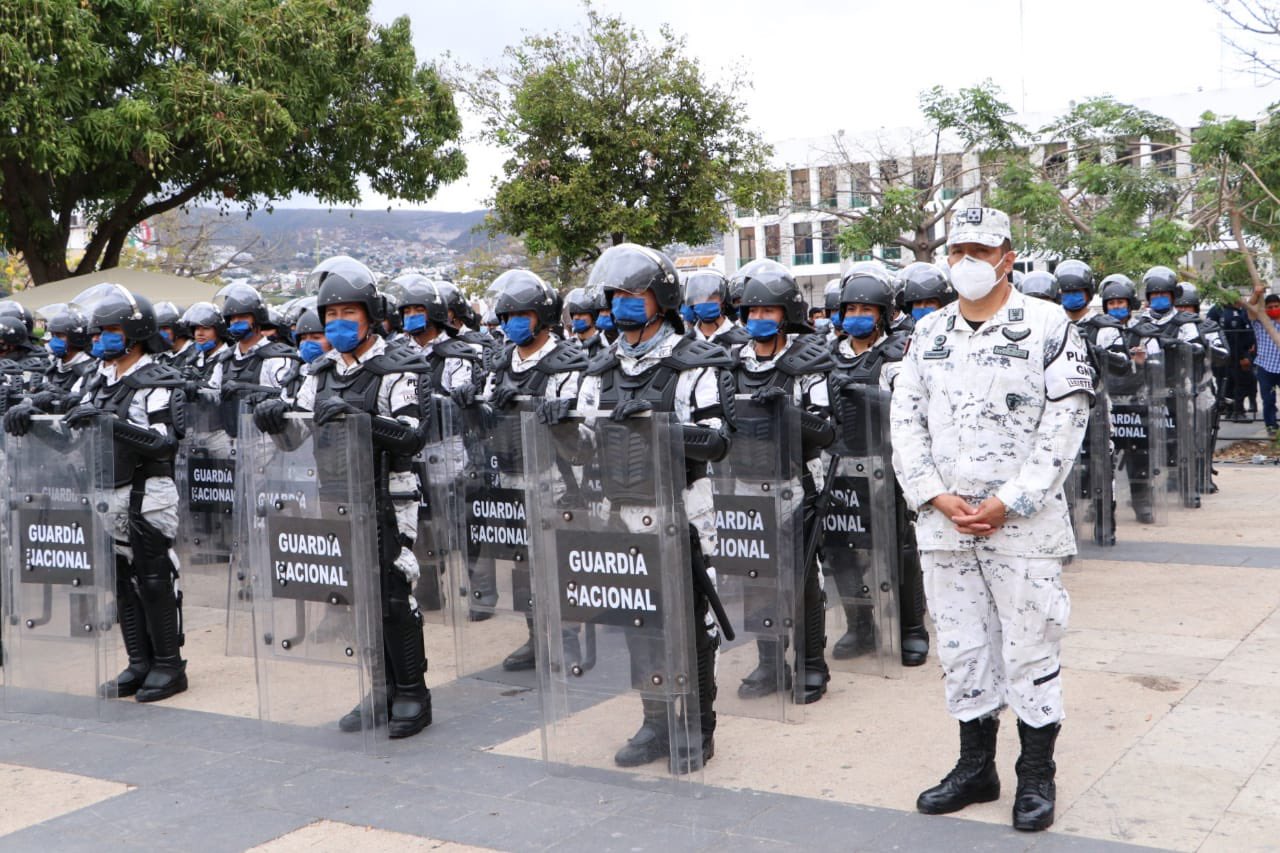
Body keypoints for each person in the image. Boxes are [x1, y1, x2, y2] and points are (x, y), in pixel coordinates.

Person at [891, 207, 1092, 833]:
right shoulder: (928, 334)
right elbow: (906, 422)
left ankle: (1036, 776)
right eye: (958, 251)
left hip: (1023, 527)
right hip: (945, 525)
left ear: (1008, 255)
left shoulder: (1048, 325)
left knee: (1031, 648)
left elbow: (1066, 424)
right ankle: (976, 768)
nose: (968, 262)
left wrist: (1014, 500)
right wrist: (933, 495)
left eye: (982, 249)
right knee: (962, 649)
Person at [549, 242, 733, 771]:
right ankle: (655, 722)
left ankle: (698, 728)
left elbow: (719, 439)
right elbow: (584, 448)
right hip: (620, 511)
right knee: (639, 622)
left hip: (681, 510)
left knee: (690, 624)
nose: (624, 303)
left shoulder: (694, 360)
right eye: (616, 295)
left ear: (661, 298)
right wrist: (562, 425)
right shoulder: (601, 366)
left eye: (635, 294)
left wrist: (659, 427)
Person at [254, 257, 434, 738]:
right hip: (335, 495)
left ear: (370, 314)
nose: (337, 324)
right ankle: (379, 689)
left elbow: (412, 437)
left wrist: (358, 417)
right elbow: (295, 438)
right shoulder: (319, 372)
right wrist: (273, 418)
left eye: (347, 315)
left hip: (388, 496)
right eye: (329, 317)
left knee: (393, 596)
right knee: (357, 600)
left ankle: (413, 694)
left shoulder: (400, 367)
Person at [9, 285, 190, 702]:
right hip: (107, 492)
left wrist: (110, 422)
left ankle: (168, 665)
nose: (100, 339)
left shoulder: (157, 380)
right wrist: (32, 418)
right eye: (97, 332)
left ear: (133, 332)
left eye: (110, 330)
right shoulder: (96, 379)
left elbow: (164, 442)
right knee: (123, 582)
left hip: (148, 491)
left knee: (155, 578)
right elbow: (74, 437)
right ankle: (139, 662)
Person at [726, 259, 835, 704]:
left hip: (796, 484)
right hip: (745, 484)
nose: (757, 320)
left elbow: (827, 430)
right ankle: (769, 662)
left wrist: (789, 412)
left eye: (767, 312)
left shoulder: (808, 362)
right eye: (751, 313)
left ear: (786, 314)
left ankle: (811, 663)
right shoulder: (732, 361)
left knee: (802, 580)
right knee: (756, 579)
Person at [826, 266, 930, 667]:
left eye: (865, 309)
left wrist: (864, 392)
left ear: (883, 314)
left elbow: (907, 406)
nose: (856, 315)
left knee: (898, 548)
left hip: (885, 465)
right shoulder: (828, 353)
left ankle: (911, 629)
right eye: (850, 308)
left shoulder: (897, 352)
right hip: (837, 465)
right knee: (842, 551)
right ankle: (860, 625)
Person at [1244, 289, 1280, 438]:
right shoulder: (1260, 321)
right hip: (1266, 366)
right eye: (1270, 307)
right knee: (1268, 400)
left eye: (1276, 306)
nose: (1273, 309)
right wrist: (1257, 294)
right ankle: (1271, 426)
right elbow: (1249, 310)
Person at [686, 269, 750, 347]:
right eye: (700, 297)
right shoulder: (686, 340)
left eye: (711, 297)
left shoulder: (741, 340)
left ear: (723, 300)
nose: (705, 301)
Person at [564, 286, 608, 358]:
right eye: (574, 314)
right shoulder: (568, 345)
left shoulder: (605, 342)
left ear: (593, 316)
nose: (576, 317)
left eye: (581, 314)